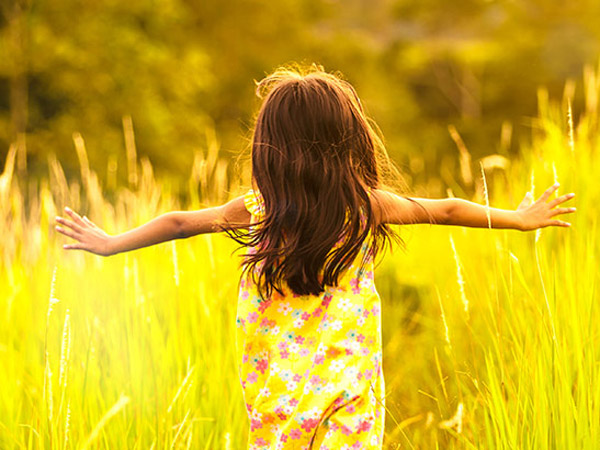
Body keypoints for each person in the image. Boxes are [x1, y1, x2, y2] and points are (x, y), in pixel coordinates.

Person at [55, 65, 576, 449]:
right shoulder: (366, 206)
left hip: (276, 399)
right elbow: (447, 208)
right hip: (346, 396)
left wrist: (109, 242)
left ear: (268, 145)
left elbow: (177, 223)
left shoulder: (258, 209)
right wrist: (518, 218)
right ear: (347, 139)